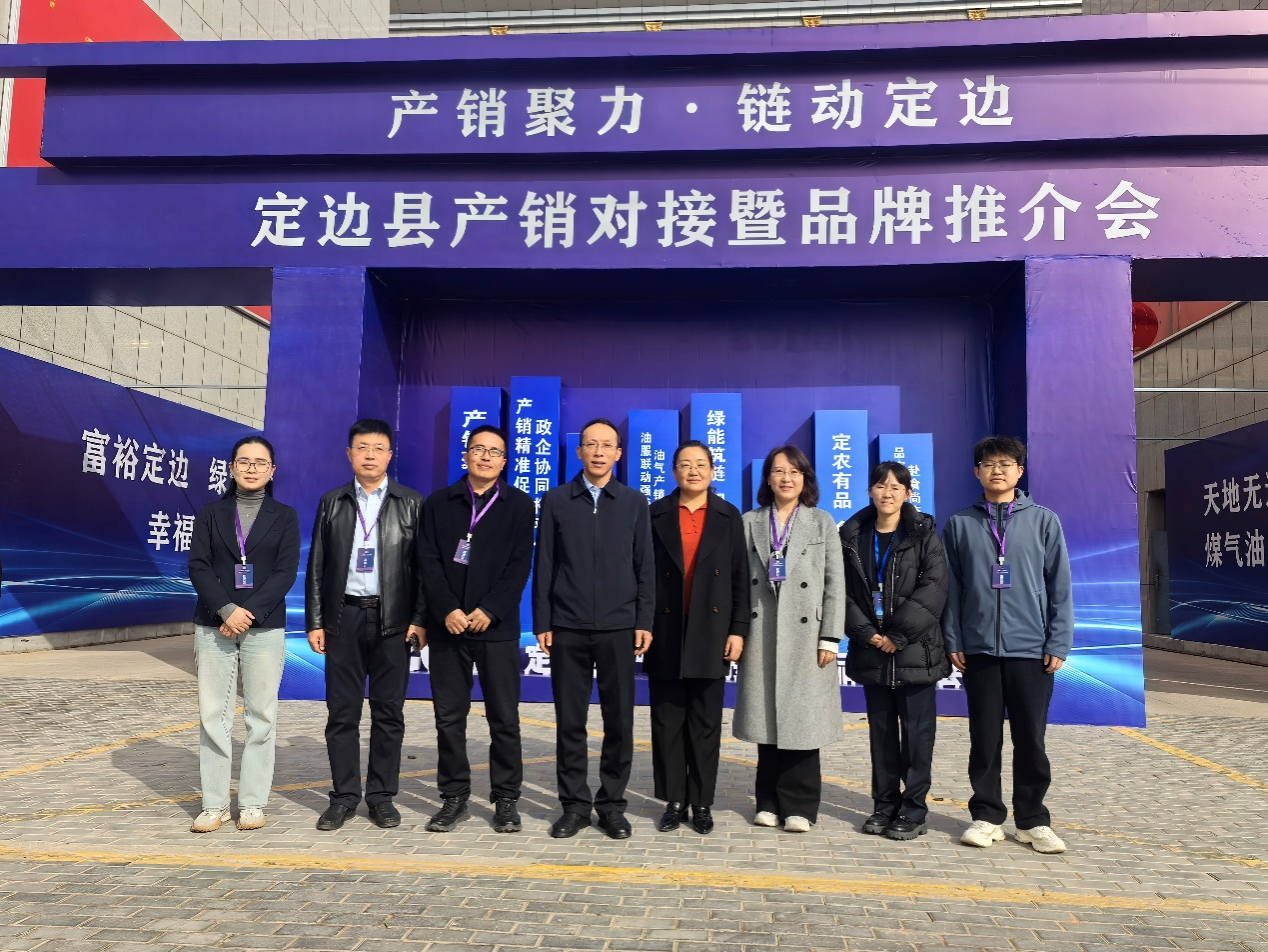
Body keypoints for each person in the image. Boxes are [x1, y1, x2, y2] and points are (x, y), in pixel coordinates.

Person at [942, 436, 1073, 854]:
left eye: (1005, 464)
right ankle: (987, 816)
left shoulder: (1044, 521)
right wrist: (954, 638)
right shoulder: (960, 524)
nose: (996, 470)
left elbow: (1059, 585)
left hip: (1031, 649)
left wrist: (1058, 640)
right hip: (979, 648)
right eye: (988, 464)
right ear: (976, 472)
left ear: (1020, 471)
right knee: (984, 738)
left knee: (1031, 738)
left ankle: (1033, 820)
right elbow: (951, 589)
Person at [533, 418, 654, 839]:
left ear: (618, 453)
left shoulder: (634, 503)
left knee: (619, 721)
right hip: (567, 625)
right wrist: (543, 621)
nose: (599, 452)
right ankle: (574, 806)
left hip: (619, 627)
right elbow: (545, 564)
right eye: (591, 444)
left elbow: (645, 567)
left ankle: (612, 805)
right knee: (570, 721)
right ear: (579, 451)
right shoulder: (556, 500)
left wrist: (643, 620)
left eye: (607, 445)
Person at [305, 419, 427, 832]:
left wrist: (420, 619)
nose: (370, 455)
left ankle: (381, 797)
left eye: (378, 448)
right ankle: (343, 797)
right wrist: (316, 620)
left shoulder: (411, 503)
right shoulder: (333, 502)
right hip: (344, 618)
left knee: (389, 712)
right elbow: (317, 565)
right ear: (349, 454)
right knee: (342, 713)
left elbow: (423, 569)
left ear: (390, 455)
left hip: (394, 621)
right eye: (362, 447)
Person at [418, 424, 535, 834]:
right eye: (478, 449)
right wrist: (446, 609)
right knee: (449, 718)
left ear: (504, 461)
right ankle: (454, 798)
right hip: (448, 627)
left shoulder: (519, 505)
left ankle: (506, 799)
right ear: (465, 455)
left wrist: (491, 609)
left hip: (496, 628)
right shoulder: (438, 503)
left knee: (504, 718)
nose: (485, 457)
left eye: (494, 452)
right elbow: (427, 561)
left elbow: (519, 565)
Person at [187, 436, 300, 833]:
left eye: (260, 462)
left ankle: (252, 802)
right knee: (212, 715)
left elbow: (285, 572)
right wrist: (226, 609)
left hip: (264, 626)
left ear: (272, 470)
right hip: (213, 623)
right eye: (244, 461)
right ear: (231, 468)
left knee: (261, 716)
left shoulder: (285, 516)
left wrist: (246, 614)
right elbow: (198, 566)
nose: (252, 468)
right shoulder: (210, 513)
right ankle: (214, 805)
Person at [733, 445, 846, 833]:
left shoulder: (821, 522)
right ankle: (767, 801)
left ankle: (799, 806)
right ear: (767, 478)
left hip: (807, 635)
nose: (786, 478)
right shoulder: (749, 522)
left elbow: (835, 583)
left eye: (794, 472)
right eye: (779, 471)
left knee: (803, 722)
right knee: (766, 721)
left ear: (805, 479)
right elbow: (737, 582)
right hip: (762, 630)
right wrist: (737, 631)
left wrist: (830, 636)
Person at [840, 461, 950, 841]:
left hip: (916, 652)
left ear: (907, 493)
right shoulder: (852, 536)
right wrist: (868, 634)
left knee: (918, 738)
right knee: (882, 736)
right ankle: (884, 806)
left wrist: (898, 635)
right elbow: (840, 592)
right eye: (880, 486)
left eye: (895, 487)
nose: (887, 493)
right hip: (872, 651)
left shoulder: (924, 535)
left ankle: (913, 811)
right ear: (870, 490)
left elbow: (934, 588)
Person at [644, 440, 749, 835]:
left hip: (711, 629)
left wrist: (738, 629)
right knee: (667, 720)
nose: (693, 471)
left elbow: (740, 577)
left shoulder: (727, 515)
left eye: (701, 464)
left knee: (705, 722)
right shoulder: (655, 513)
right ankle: (674, 800)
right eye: (685, 464)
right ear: (674, 471)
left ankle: (702, 802)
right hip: (665, 628)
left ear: (712, 471)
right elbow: (643, 574)